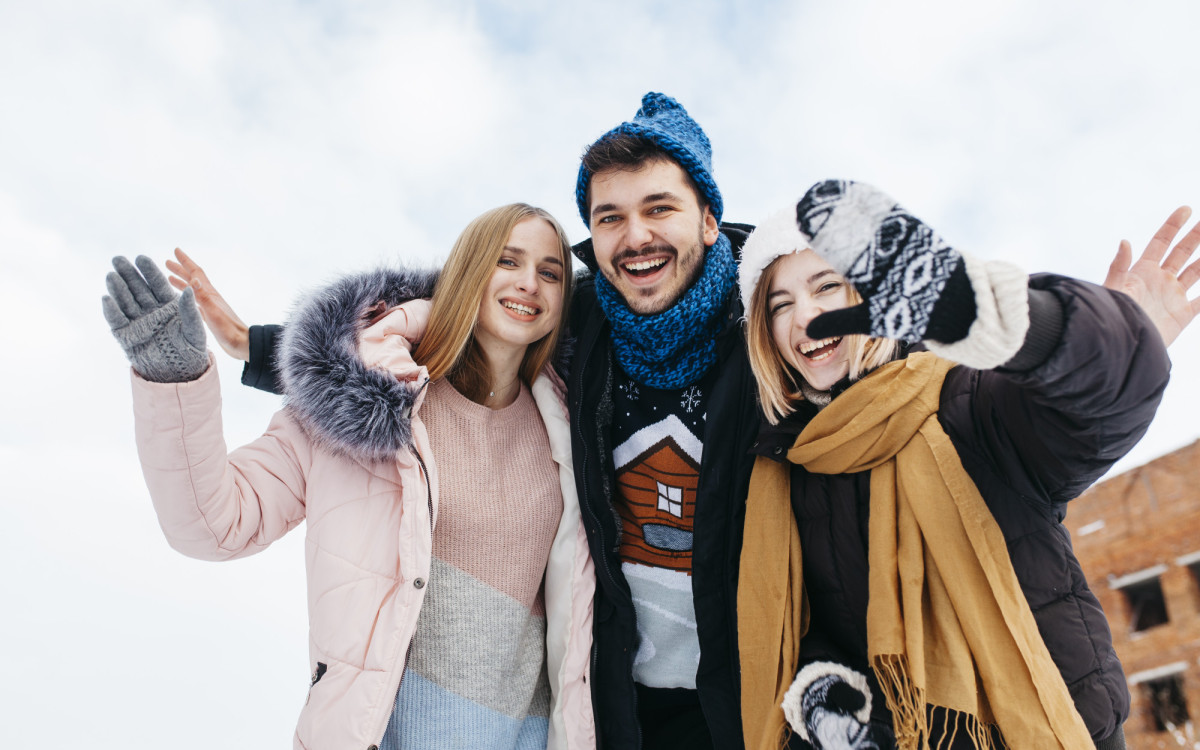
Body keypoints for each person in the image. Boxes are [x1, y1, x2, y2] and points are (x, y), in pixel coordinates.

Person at [102, 203, 597, 750]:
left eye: (550, 272)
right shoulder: (356, 406)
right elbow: (215, 524)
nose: (529, 283)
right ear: (468, 272)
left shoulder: (570, 425)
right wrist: (175, 380)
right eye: (508, 261)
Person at [735, 180, 1200, 750]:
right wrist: (833, 704)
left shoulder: (966, 405)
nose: (803, 315)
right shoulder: (793, 468)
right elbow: (836, 634)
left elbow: (1097, 407)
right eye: (780, 304)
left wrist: (1027, 318)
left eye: (826, 285)